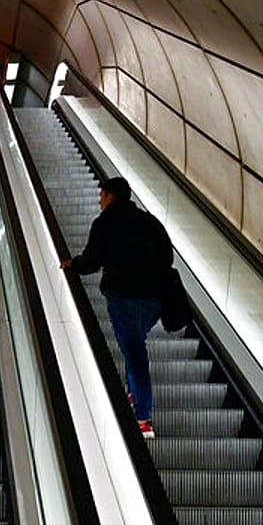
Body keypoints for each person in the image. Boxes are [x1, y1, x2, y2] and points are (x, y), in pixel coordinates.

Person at [60, 176, 173, 438]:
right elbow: (167, 256)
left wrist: (72, 265)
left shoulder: (105, 223)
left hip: (124, 298)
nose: (100, 202)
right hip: (154, 299)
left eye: (102, 196)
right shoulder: (149, 221)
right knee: (134, 344)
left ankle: (143, 417)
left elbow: (91, 261)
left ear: (111, 196)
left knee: (134, 351)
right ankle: (133, 393)